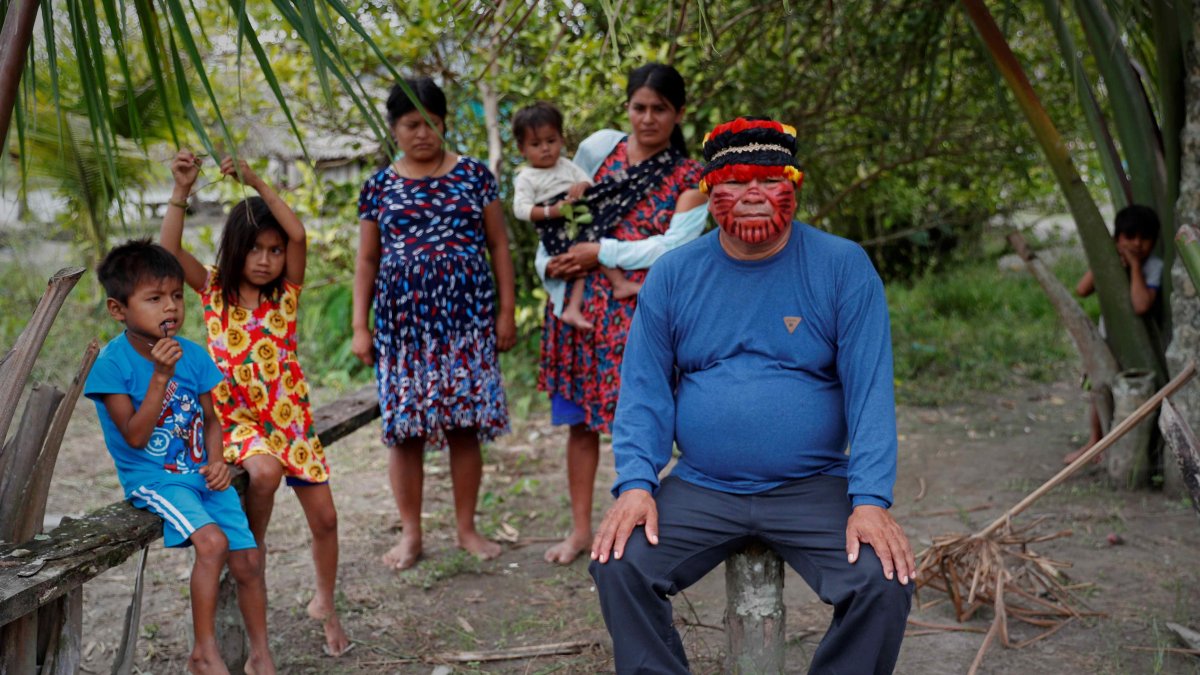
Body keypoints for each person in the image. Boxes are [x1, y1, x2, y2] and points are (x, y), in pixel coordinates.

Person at [589, 117, 915, 674]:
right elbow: (643, 391)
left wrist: (869, 501)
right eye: (735, 184)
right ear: (710, 192)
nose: (753, 197)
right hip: (703, 486)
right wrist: (637, 484)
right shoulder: (673, 275)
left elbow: (869, 395)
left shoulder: (841, 267)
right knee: (620, 563)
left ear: (795, 184)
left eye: (768, 181)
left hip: (812, 484)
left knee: (883, 581)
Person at [159, 150, 350, 656]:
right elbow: (168, 247)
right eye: (256, 250)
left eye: (274, 250)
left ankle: (325, 603)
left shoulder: (285, 295)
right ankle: (254, 549)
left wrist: (255, 178)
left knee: (326, 519)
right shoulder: (213, 291)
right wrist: (181, 189)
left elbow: (300, 235)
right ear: (237, 248)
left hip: (292, 422)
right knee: (262, 475)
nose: (267, 260)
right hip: (239, 422)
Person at [536, 62, 708, 565]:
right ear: (627, 108)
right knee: (581, 425)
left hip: (643, 316)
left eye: (660, 109)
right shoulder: (598, 150)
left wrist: (602, 252)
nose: (648, 119)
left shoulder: (691, 179)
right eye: (639, 107)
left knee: (649, 422)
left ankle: (648, 528)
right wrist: (559, 264)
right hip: (583, 308)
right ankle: (581, 531)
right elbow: (567, 212)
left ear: (679, 114)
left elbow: (672, 249)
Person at [84, 240, 276, 675]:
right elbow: (134, 436)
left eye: (175, 296)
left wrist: (217, 460)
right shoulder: (113, 366)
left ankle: (260, 653)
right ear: (119, 309)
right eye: (154, 299)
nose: (170, 307)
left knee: (247, 559)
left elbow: (211, 419)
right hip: (156, 479)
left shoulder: (193, 354)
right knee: (213, 543)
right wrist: (160, 377)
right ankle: (203, 652)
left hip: (200, 473)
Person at [353, 77, 517, 571]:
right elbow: (366, 261)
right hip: (403, 330)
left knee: (465, 426)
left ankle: (466, 529)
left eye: (431, 123)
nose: (422, 134)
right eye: (410, 124)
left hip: (466, 323)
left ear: (444, 123)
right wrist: (360, 326)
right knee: (405, 431)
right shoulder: (378, 186)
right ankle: (412, 534)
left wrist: (506, 312)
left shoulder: (474, 176)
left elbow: (499, 245)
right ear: (393, 129)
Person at [511, 101, 640, 330]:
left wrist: (581, 186)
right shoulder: (526, 178)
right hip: (551, 223)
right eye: (536, 144)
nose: (545, 149)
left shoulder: (566, 165)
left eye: (551, 141)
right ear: (522, 149)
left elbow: (586, 179)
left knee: (593, 245)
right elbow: (521, 210)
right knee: (580, 257)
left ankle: (590, 298)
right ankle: (585, 300)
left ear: (561, 139)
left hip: (575, 214)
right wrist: (553, 211)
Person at [1065, 203, 1163, 464]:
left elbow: (1141, 304)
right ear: (1117, 238)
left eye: (1145, 238)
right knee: (1099, 389)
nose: (1137, 244)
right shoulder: (1110, 261)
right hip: (1107, 339)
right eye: (1130, 237)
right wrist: (1108, 260)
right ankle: (1094, 442)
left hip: (1141, 348)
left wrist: (1133, 267)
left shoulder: (1153, 267)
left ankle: (1115, 446)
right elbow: (1082, 289)